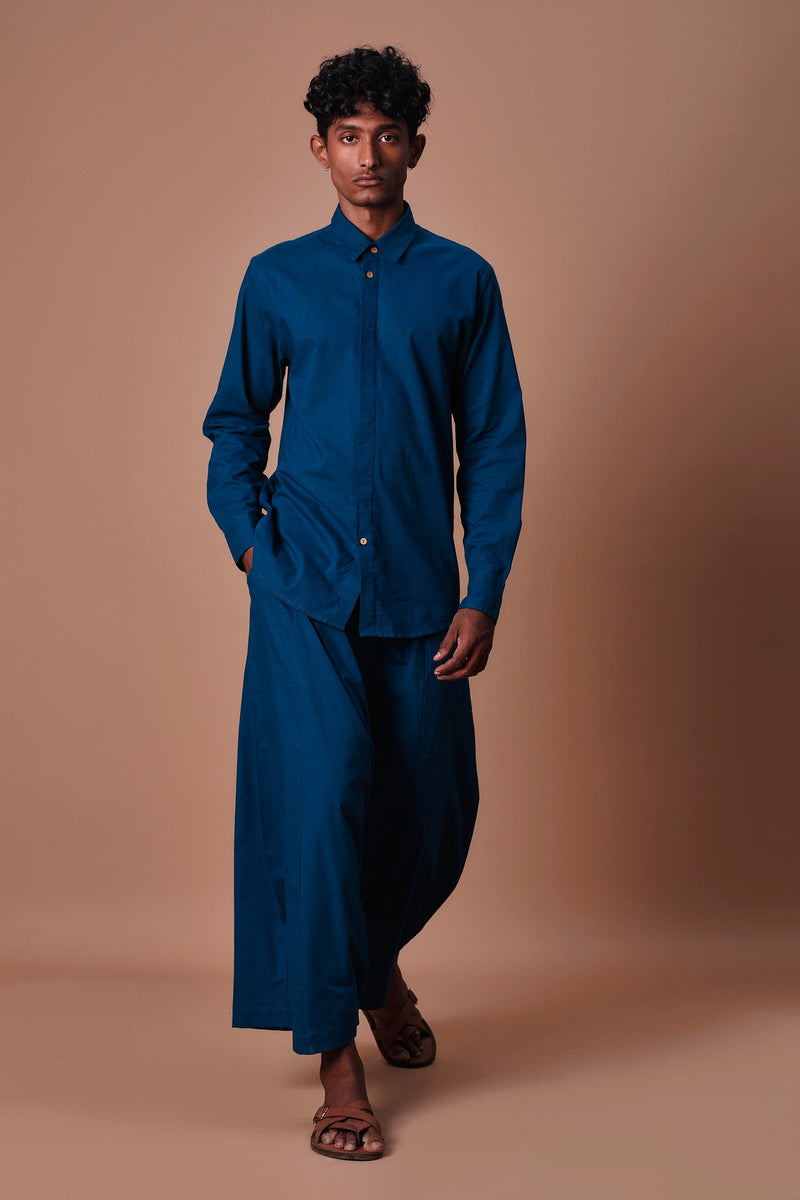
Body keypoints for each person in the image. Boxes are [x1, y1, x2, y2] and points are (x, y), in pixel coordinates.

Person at [202, 44, 526, 1161]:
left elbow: (492, 445)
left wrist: (483, 590)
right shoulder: (277, 278)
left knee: (432, 808)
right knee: (323, 804)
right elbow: (235, 425)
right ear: (319, 149)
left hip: (421, 595)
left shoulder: (463, 281)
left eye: (387, 135)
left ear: (415, 147)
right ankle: (338, 1064)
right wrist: (251, 544)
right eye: (348, 136)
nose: (368, 155)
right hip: (302, 592)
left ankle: (376, 962)